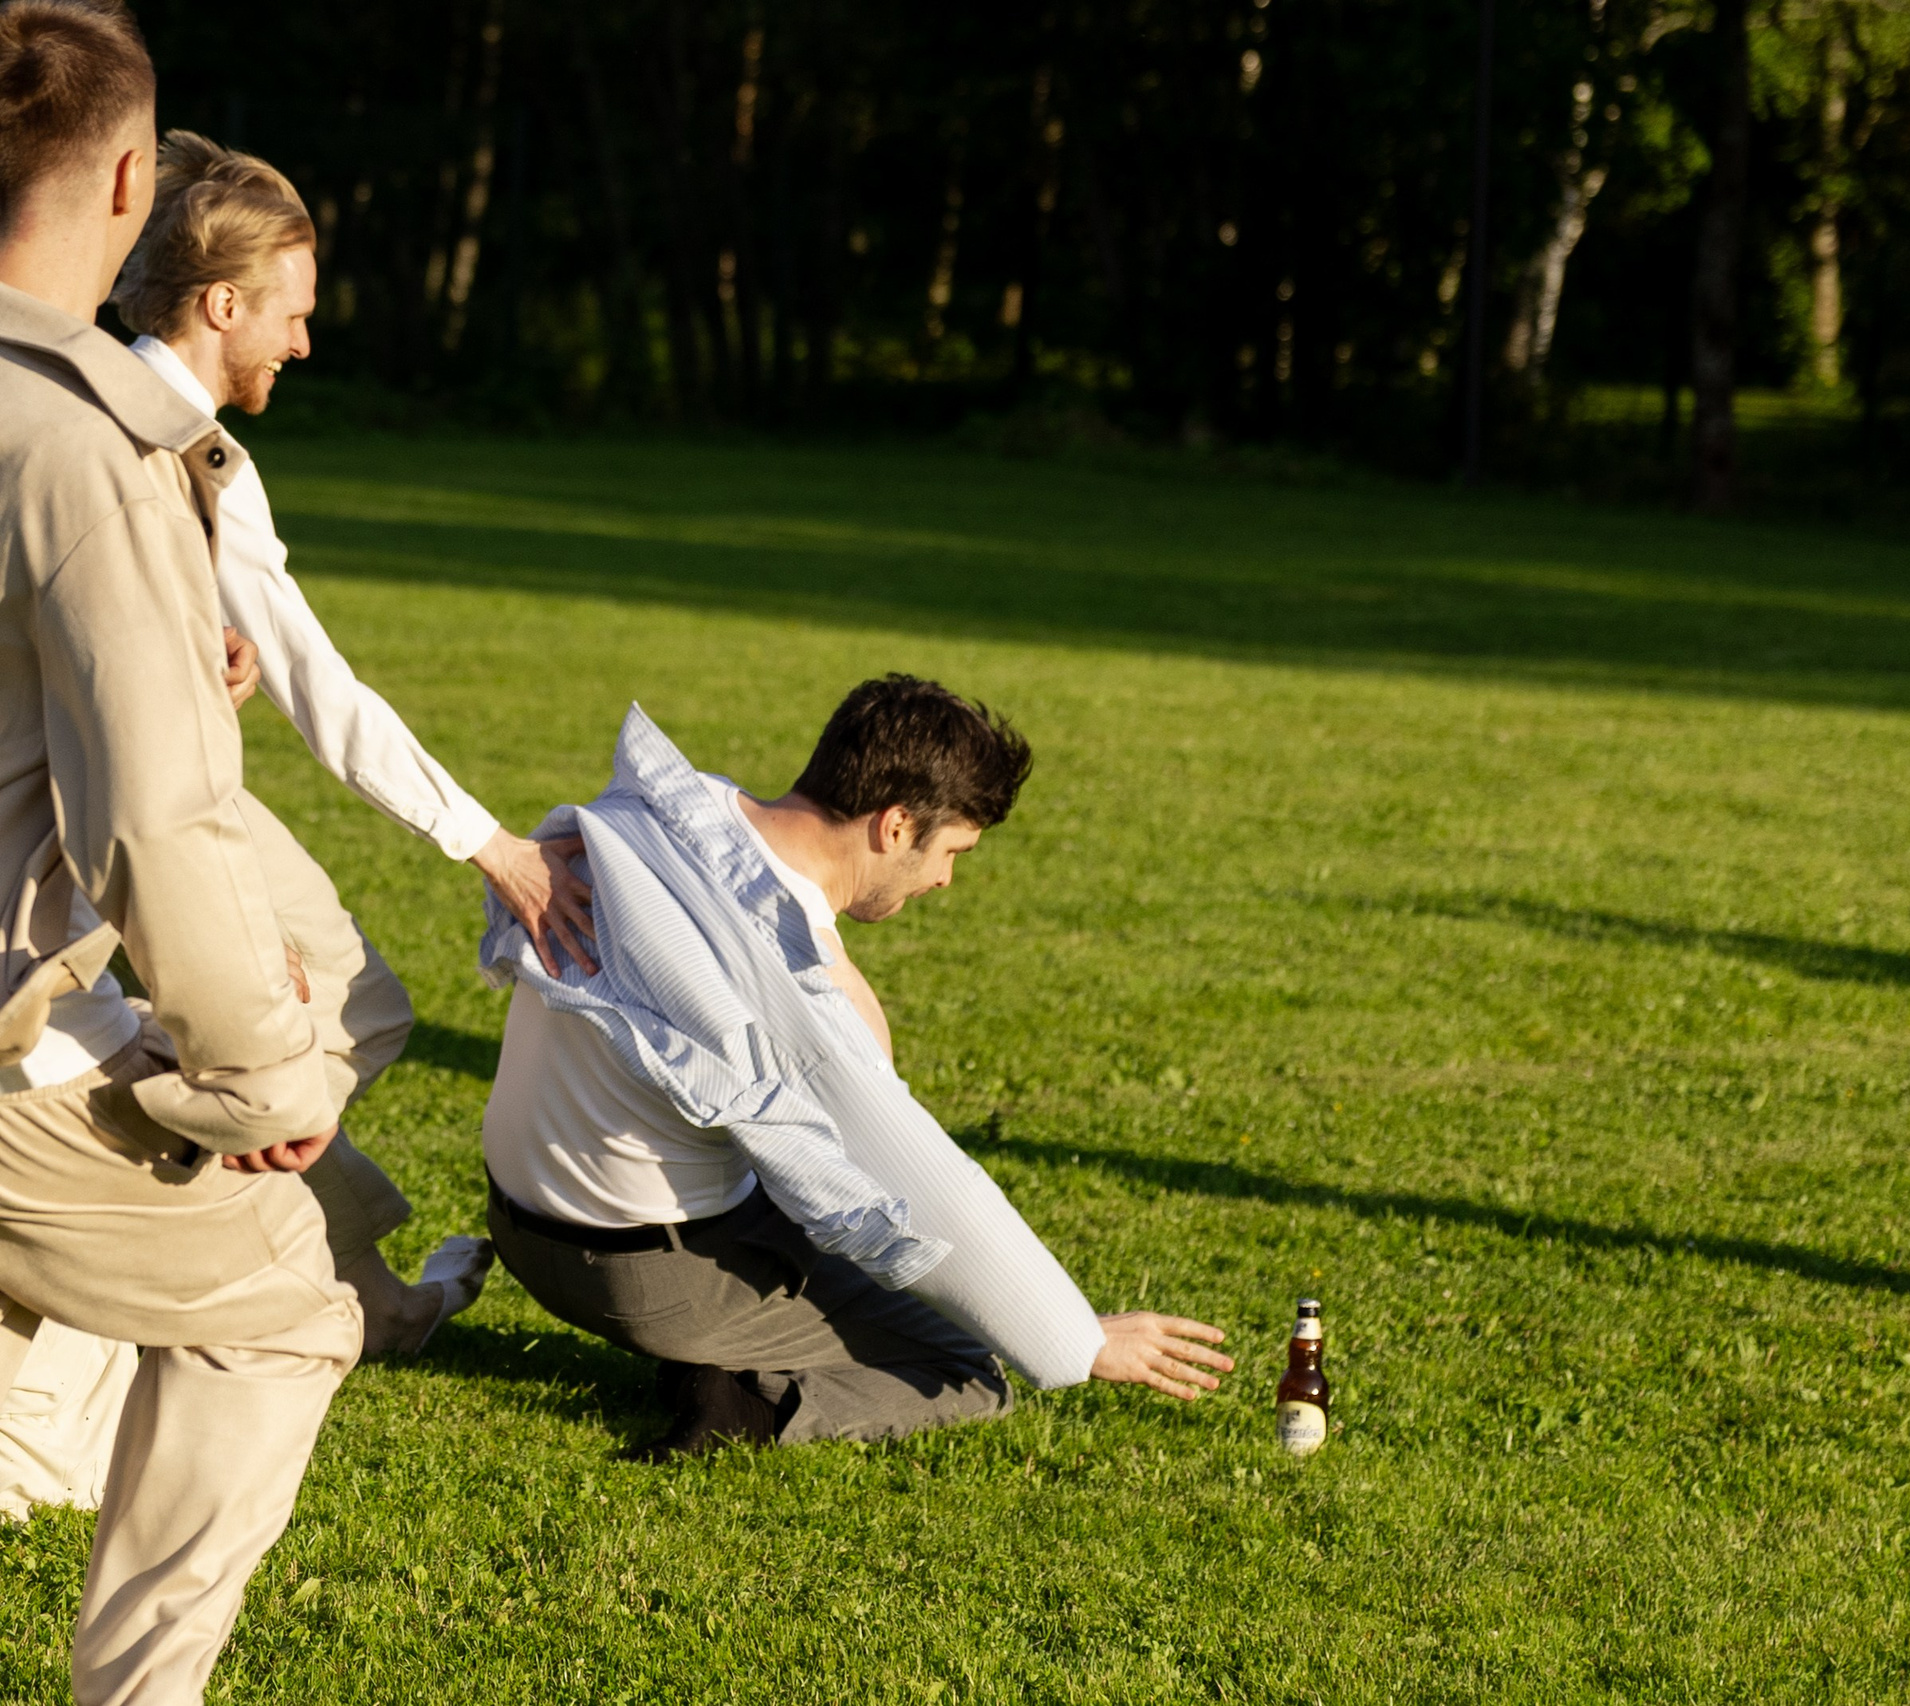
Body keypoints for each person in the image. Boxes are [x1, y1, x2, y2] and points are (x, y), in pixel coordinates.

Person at [0, 1, 363, 1699]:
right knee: (286, 1302)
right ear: (138, 182)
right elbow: (154, 814)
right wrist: (259, 1076)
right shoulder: (79, 442)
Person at [105, 130, 598, 1355]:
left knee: (306, 1024)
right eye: (291, 314)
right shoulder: (188, 452)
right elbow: (323, 692)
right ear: (222, 303)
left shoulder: (76, 389)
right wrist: (493, 847)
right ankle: (144, 1228)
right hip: (124, 796)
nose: (304, 343)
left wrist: (195, 653)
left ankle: (363, 1294)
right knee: (326, 1026)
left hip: (134, 774)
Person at [480, 677, 1232, 1458]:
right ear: (897, 825)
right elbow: (922, 1183)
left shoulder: (668, 815)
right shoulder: (787, 988)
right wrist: (1075, 1336)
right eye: (950, 853)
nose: (945, 880)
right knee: (968, 1367)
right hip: (637, 1277)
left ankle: (734, 1352)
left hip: (519, 1226)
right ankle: (743, 1397)